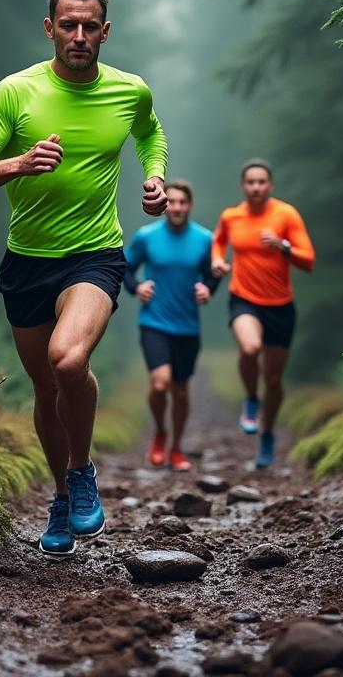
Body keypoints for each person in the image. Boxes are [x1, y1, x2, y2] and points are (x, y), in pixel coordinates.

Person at [0, 0, 168, 558]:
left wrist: (154, 177)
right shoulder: (16, 92)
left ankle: (80, 472)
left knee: (67, 360)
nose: (78, 35)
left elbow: (149, 134)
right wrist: (18, 164)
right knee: (45, 386)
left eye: (89, 25)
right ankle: (61, 497)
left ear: (105, 31)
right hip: (26, 261)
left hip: (95, 254)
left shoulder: (130, 91)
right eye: (67, 24)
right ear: (49, 28)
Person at [210, 159, 315, 469]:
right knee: (249, 347)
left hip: (280, 305)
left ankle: (267, 434)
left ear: (270, 185)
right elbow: (218, 244)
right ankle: (250, 400)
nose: (256, 187)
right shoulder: (232, 216)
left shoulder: (286, 214)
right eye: (250, 182)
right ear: (243, 186)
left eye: (261, 182)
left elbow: (308, 260)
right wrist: (218, 262)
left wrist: (282, 245)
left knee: (273, 378)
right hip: (243, 298)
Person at [123, 179, 219, 472]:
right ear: (165, 205)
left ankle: (176, 447)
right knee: (160, 383)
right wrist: (136, 288)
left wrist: (208, 289)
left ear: (190, 205)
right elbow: (124, 267)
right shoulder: (146, 237)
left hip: (187, 326)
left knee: (179, 390)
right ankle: (159, 432)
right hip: (154, 321)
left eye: (182, 202)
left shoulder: (205, 239)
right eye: (172, 202)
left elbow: (213, 272)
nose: (176, 207)